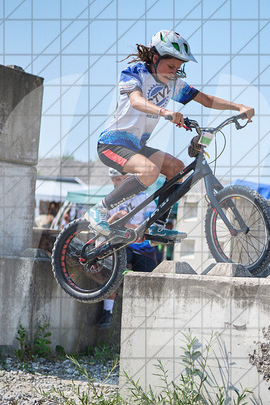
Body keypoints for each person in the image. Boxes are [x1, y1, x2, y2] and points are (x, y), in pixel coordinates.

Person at [85, 30, 254, 242]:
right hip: (111, 144)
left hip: (136, 147)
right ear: (155, 58)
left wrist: (238, 107)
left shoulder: (172, 84)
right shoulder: (134, 73)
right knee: (149, 171)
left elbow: (206, 100)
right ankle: (99, 210)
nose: (174, 72)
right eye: (171, 66)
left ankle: (156, 225)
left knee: (176, 168)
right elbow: (136, 101)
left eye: (178, 68)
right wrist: (165, 112)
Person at [97, 168, 160, 329]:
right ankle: (107, 311)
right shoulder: (108, 200)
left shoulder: (145, 198)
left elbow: (150, 228)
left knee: (149, 281)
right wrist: (114, 218)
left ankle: (143, 317)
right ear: (112, 181)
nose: (120, 182)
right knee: (112, 268)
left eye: (124, 178)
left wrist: (125, 224)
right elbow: (101, 227)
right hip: (119, 243)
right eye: (117, 179)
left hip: (141, 245)